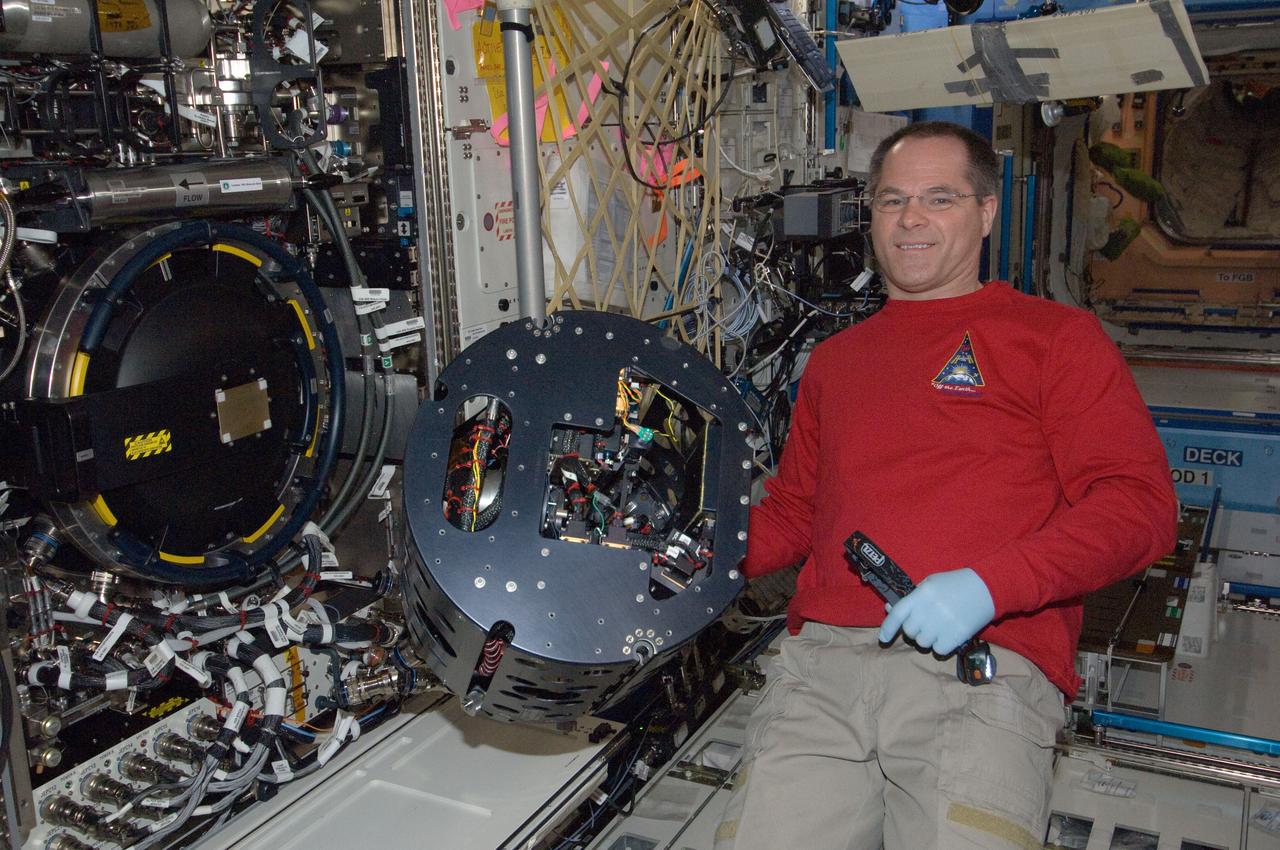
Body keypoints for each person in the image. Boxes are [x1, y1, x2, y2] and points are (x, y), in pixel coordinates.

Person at [715, 121, 1178, 850]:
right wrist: (691, 555)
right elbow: (796, 514)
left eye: (939, 197)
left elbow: (1138, 507)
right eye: (893, 200)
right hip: (822, 672)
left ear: (987, 213)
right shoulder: (836, 363)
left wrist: (988, 587)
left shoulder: (1056, 340)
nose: (912, 219)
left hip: (980, 674)